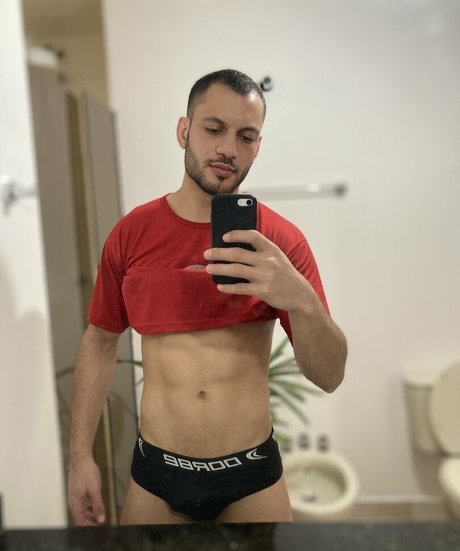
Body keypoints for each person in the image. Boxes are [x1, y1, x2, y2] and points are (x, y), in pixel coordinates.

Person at [67, 69, 347, 526]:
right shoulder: (132, 234)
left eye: (245, 137)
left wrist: (300, 297)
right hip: (157, 475)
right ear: (184, 131)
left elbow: (330, 375)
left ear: (258, 146)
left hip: (251, 476)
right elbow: (99, 342)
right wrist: (80, 458)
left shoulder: (279, 244)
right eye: (214, 129)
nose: (228, 149)